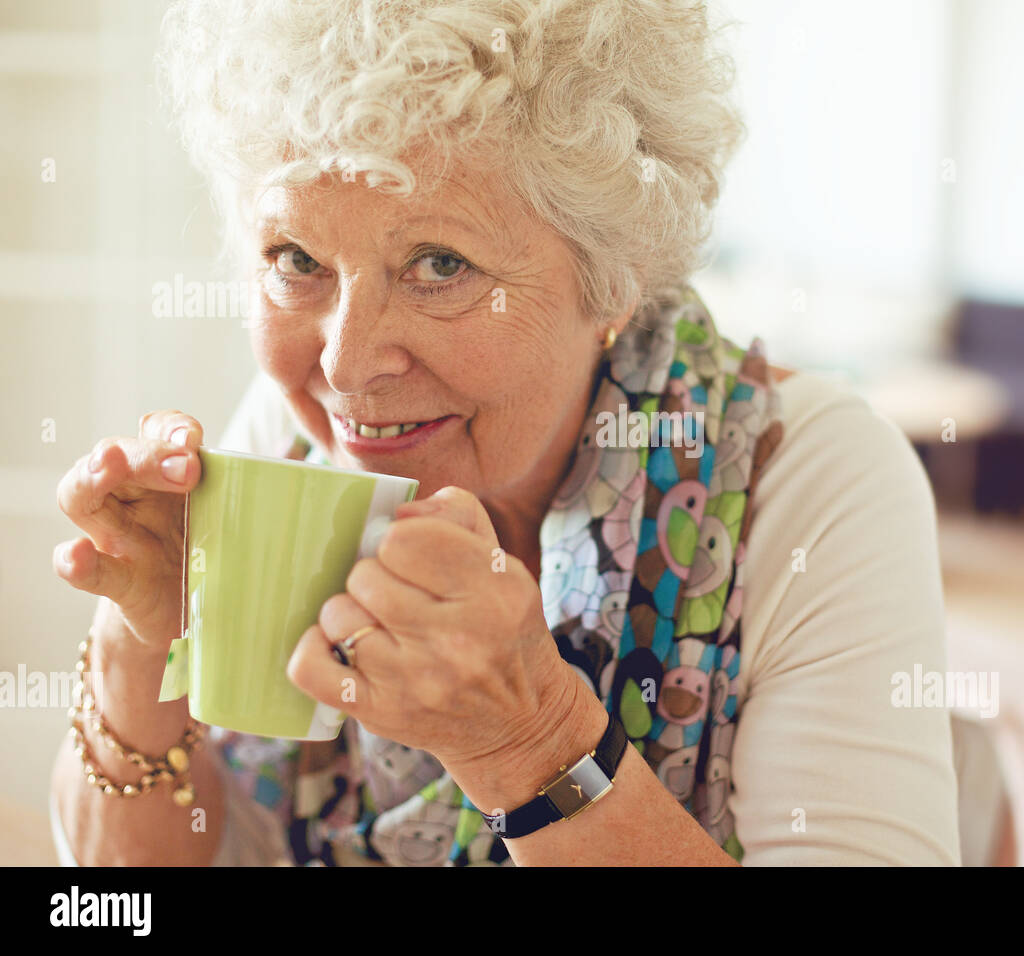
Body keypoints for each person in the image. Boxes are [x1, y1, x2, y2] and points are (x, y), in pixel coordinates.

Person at [48, 0, 961, 866]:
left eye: (439, 264)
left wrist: (527, 741)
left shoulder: (814, 481)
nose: (345, 364)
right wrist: (140, 642)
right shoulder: (280, 440)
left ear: (613, 274)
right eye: (297, 260)